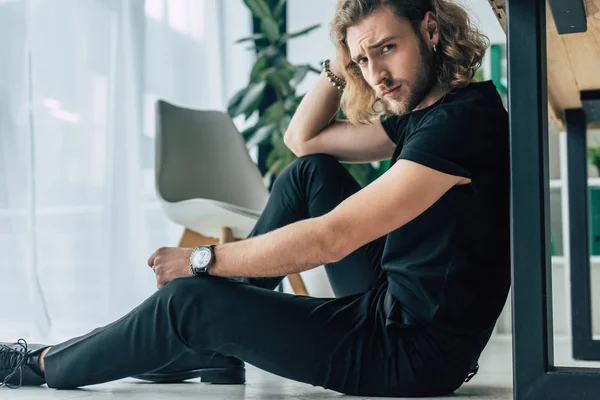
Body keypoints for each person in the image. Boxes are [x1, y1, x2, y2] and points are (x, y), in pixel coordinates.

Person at [0, 0, 510, 397]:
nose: (375, 75)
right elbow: (302, 141)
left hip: (410, 354)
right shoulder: (433, 114)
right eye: (362, 58)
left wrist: (204, 260)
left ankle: (42, 363)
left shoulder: (457, 126)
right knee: (311, 174)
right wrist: (342, 60)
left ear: (431, 29)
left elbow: (333, 237)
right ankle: (219, 340)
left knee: (189, 299)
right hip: (397, 308)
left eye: (386, 48)